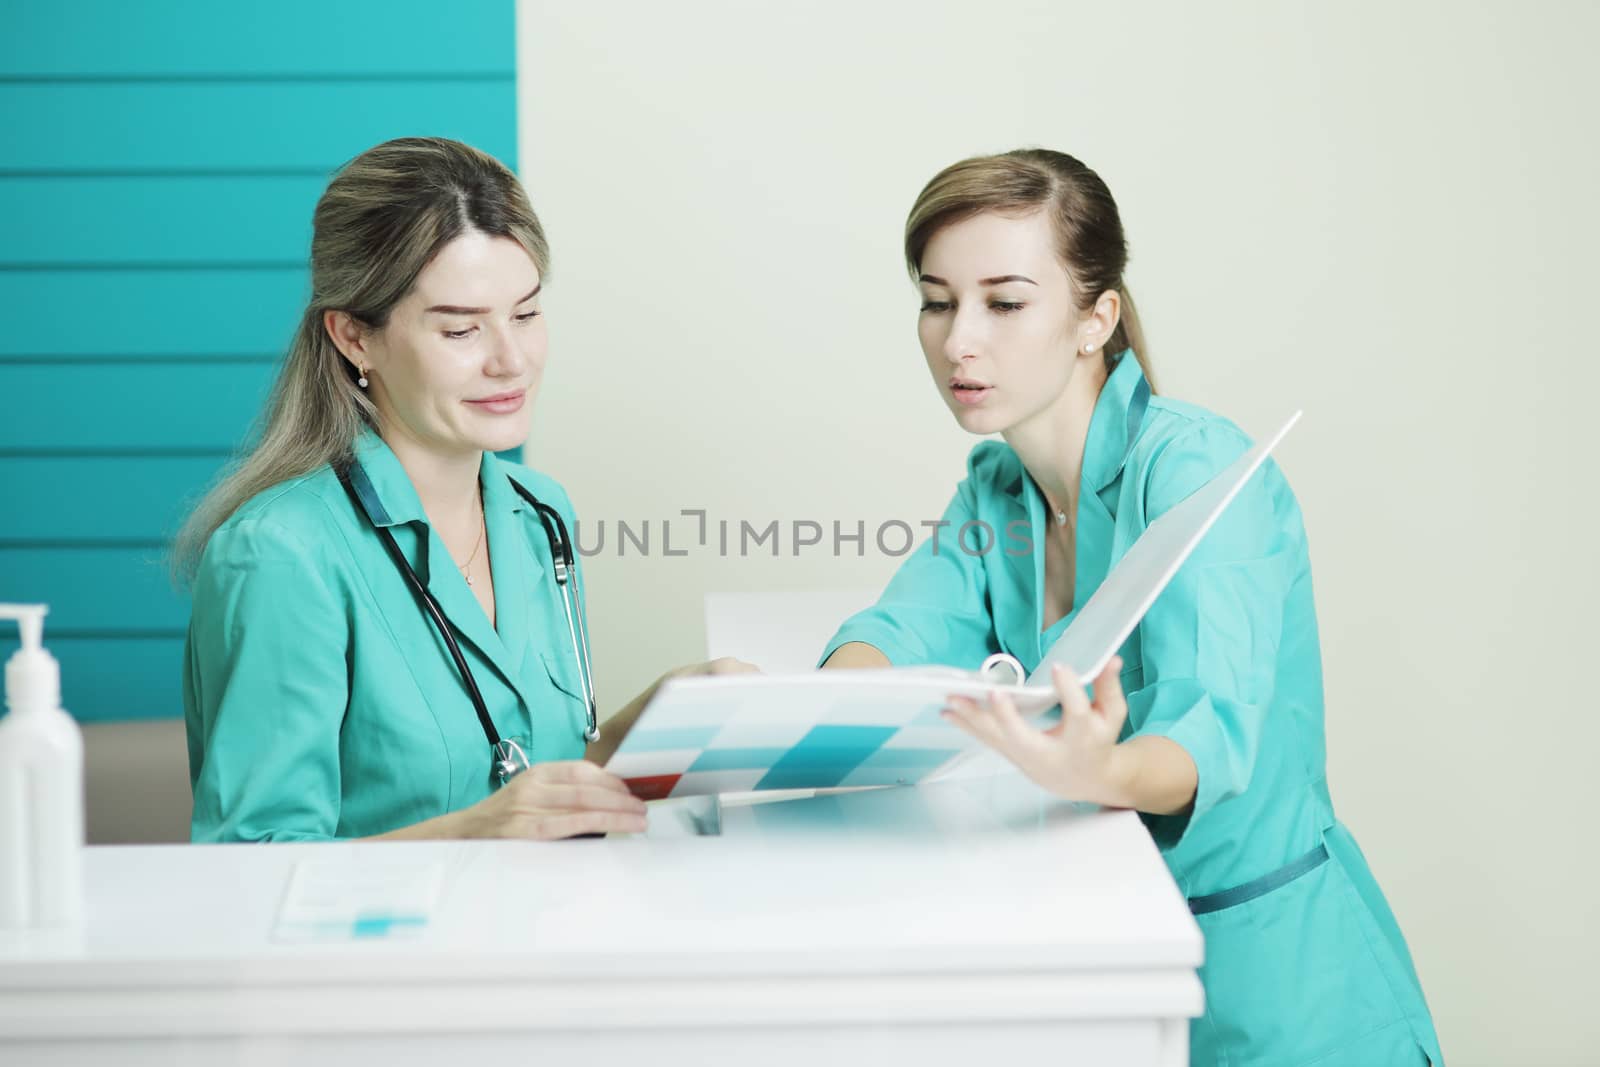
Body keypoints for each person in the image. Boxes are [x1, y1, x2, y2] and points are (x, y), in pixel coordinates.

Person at [821, 148, 1443, 1066]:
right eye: (937, 299)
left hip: (1283, 987)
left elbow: (1208, 734)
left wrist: (1097, 769)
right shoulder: (997, 488)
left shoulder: (1197, 469)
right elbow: (901, 632)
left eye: (1004, 301)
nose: (960, 339)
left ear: (1094, 317)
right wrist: (794, 713)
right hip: (1112, 976)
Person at [177, 137, 750, 843]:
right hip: (385, 955)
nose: (510, 360)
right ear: (355, 336)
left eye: (527, 314)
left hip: (545, 939)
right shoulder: (279, 555)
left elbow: (524, 782)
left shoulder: (540, 512)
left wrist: (662, 717)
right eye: (461, 329)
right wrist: (473, 833)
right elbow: (248, 869)